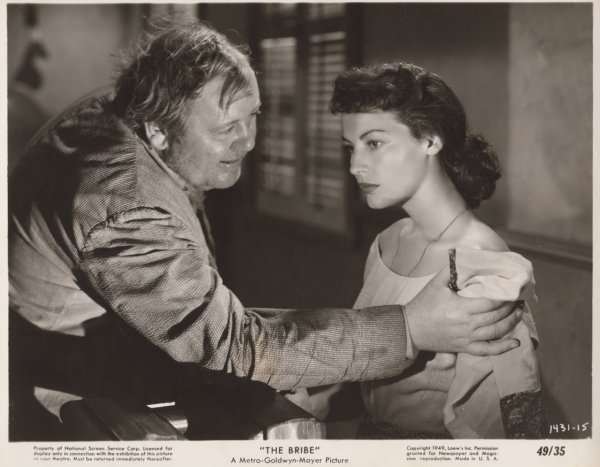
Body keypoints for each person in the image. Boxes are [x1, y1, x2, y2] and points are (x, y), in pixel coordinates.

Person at [8, 17, 522, 441]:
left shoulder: (134, 110)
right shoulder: (124, 202)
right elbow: (230, 341)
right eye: (226, 129)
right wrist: (408, 328)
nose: (249, 141)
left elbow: (509, 421)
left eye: (253, 116)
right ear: (159, 131)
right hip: (61, 394)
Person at [304, 61, 545, 439]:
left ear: (430, 140)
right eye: (351, 147)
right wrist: (326, 401)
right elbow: (382, 371)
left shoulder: (483, 260)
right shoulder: (387, 241)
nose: (354, 166)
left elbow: (497, 428)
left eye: (374, 144)